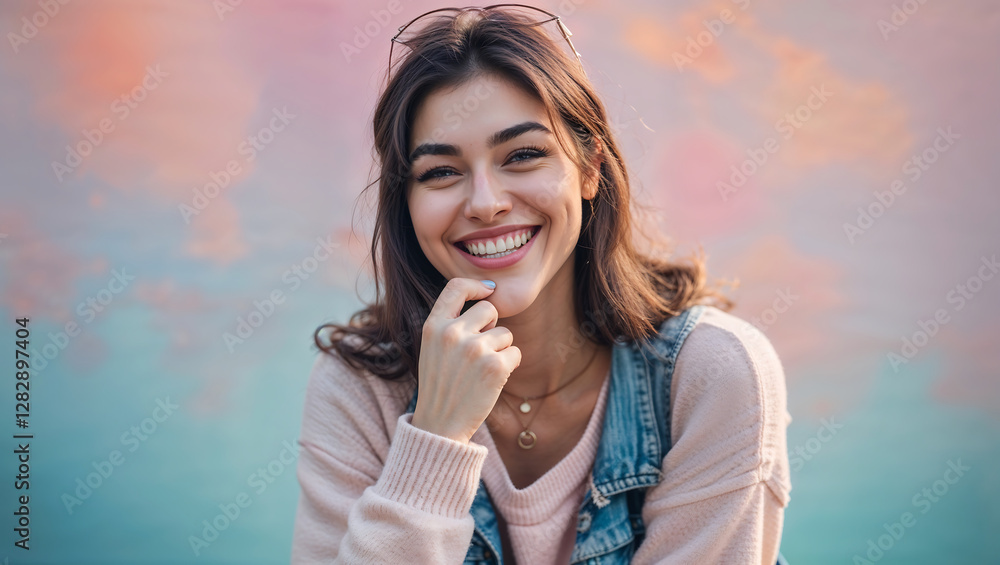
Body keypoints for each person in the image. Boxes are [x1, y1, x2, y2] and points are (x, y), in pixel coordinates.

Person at [291, 5, 791, 564]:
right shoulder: (358, 390)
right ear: (406, 203)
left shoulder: (712, 376)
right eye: (440, 172)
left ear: (589, 166)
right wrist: (435, 435)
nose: (485, 203)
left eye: (523, 155)